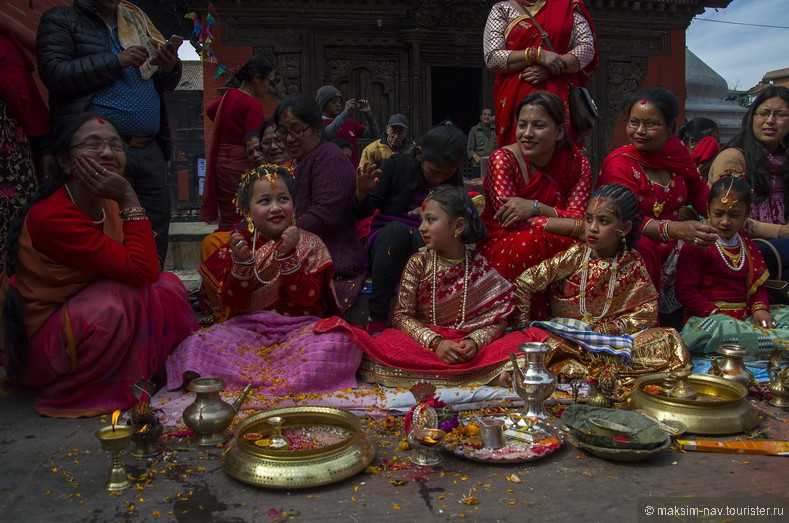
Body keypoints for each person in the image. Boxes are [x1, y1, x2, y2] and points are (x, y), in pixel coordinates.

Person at [0, 113, 196, 418]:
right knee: (118, 299)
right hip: (38, 353)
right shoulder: (52, 217)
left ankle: (160, 371)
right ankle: (99, 390)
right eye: (92, 145)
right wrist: (127, 195)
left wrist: (121, 199)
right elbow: (141, 270)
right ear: (65, 163)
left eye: (115, 146)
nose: (107, 153)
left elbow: (150, 273)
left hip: (77, 329)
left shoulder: (106, 204)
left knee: (167, 286)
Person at [323, 186, 545, 387]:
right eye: (422, 221)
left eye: (430, 220)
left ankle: (476, 370)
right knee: (384, 344)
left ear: (458, 226)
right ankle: (484, 374)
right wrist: (435, 343)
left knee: (523, 339)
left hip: (469, 346)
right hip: (427, 345)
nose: (422, 228)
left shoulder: (479, 265)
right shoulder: (418, 262)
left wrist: (475, 341)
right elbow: (401, 316)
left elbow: (498, 320)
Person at [167, 165, 361, 394]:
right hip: (248, 334)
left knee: (341, 342)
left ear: (295, 206)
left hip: (301, 334)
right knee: (196, 344)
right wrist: (242, 264)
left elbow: (309, 298)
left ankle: (249, 384)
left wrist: (288, 257)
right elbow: (234, 302)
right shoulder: (239, 247)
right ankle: (289, 384)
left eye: (283, 199)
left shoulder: (311, 243)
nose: (276, 208)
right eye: (264, 201)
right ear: (247, 212)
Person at [36, 0, 183, 261]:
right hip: (98, 151)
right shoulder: (62, 19)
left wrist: (170, 68)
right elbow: (55, 73)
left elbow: (159, 83)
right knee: (101, 230)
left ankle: (150, 293)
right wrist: (115, 61)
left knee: (153, 232)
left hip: (148, 148)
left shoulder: (137, 20)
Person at [514, 184, 690, 384]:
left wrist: (613, 328)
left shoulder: (631, 261)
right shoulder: (576, 255)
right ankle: (589, 367)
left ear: (624, 228)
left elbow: (647, 310)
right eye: (588, 219)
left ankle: (580, 367)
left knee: (669, 339)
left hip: (610, 341)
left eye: (603, 221)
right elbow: (525, 282)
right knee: (540, 340)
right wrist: (522, 327)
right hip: (568, 338)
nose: (592, 228)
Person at [598, 87, 717, 317]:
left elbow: (699, 191)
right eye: (633, 122)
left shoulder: (677, 153)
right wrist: (675, 230)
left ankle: (718, 316)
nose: (639, 131)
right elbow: (623, 219)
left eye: (651, 124)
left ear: (670, 127)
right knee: (645, 247)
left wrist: (723, 217)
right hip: (635, 243)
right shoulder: (620, 163)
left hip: (679, 243)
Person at [478, 91, 591, 314]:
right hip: (505, 242)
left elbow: (581, 217)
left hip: (556, 239)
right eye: (522, 125)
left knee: (594, 248)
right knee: (528, 241)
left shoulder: (577, 164)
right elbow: (511, 222)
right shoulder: (503, 160)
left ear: (559, 131)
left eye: (538, 126)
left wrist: (535, 207)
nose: (527, 134)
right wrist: (575, 226)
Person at [355, 123, 467, 334]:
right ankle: (377, 319)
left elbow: (461, 214)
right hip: (387, 241)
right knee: (398, 231)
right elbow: (364, 210)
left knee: (423, 237)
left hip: (426, 240)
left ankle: (431, 320)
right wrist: (362, 191)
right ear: (419, 154)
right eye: (434, 171)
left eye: (447, 173)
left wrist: (435, 213)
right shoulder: (396, 165)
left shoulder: (452, 178)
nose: (440, 178)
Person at [678, 174, 789, 361]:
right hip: (710, 319)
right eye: (718, 213)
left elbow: (757, 286)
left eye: (735, 215)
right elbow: (685, 291)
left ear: (747, 215)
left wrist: (760, 308)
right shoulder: (698, 244)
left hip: (745, 314)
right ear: (707, 210)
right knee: (739, 333)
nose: (725, 222)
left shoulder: (746, 243)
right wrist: (716, 313)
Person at [273, 94, 365, 310]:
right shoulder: (294, 162)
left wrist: (276, 237)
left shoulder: (330, 159)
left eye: (296, 130)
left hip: (323, 254)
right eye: (283, 131)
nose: (289, 139)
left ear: (316, 128)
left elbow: (324, 215)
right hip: (290, 242)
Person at [483, 0, 598, 145]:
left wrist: (551, 69)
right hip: (514, 98)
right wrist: (536, 55)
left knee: (560, 151)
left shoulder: (567, 7)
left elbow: (587, 49)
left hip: (559, 95)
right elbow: (492, 57)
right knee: (517, 152)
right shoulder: (503, 9)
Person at [709, 86, 789, 280]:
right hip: (740, 244)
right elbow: (725, 215)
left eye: (779, 115)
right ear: (752, 117)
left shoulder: (784, 160)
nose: (770, 121)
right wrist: (781, 231)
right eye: (763, 113)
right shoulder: (734, 158)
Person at [200, 53, 275, 229]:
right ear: (257, 78)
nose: (269, 87)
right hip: (241, 163)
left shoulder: (230, 95)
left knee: (228, 212)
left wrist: (229, 127)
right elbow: (253, 142)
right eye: (269, 82)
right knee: (244, 212)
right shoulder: (252, 104)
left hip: (221, 162)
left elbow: (211, 110)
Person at [0, 29, 53, 263]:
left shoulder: (4, 45)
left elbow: (28, 100)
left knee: (14, 233)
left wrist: (44, 148)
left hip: (8, 158)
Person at [315, 85, 379, 165]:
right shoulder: (317, 124)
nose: (338, 105)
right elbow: (327, 133)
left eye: (339, 102)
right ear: (323, 104)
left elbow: (373, 134)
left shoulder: (350, 123)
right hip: (330, 171)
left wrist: (368, 115)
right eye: (334, 102)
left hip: (352, 171)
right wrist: (345, 113)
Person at [467, 108, 497, 178]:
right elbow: (470, 150)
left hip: (494, 164)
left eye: (489, 115)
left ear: (492, 117)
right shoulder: (474, 130)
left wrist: (497, 122)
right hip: (479, 166)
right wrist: (476, 157)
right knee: (479, 187)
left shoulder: (496, 129)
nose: (486, 116)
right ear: (481, 117)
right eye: (484, 114)